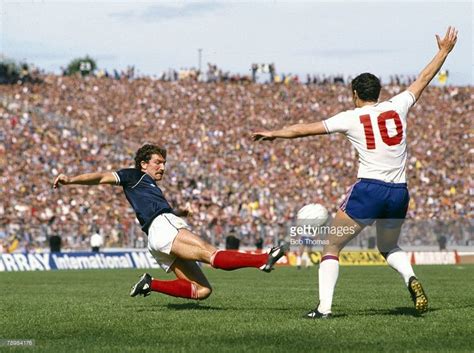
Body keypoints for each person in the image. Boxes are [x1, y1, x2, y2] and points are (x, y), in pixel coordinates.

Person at [252, 27, 458, 318]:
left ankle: (324, 309)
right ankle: (410, 277)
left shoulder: (351, 117)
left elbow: (304, 130)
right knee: (388, 248)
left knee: (331, 246)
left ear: (354, 94)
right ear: (378, 93)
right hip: (399, 192)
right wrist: (444, 51)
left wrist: (275, 134)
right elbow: (423, 78)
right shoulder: (398, 106)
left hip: (369, 189)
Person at [53, 144, 287, 301]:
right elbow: (101, 177)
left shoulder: (147, 185)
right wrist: (71, 179)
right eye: (158, 162)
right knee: (211, 254)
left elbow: (151, 209)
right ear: (144, 164)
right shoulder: (135, 176)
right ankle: (262, 259)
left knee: (202, 290)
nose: (162, 167)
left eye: (164, 163)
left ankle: (150, 284)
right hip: (163, 227)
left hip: (156, 237)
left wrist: (178, 212)